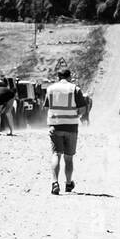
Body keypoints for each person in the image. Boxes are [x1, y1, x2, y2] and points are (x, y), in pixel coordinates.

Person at [46, 67, 87, 195]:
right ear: (69, 77)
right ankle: (68, 183)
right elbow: (82, 110)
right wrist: (75, 115)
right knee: (68, 158)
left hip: (55, 126)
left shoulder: (50, 89)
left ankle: (54, 183)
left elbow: (47, 106)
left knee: (56, 154)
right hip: (71, 127)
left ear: (58, 77)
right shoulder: (75, 89)